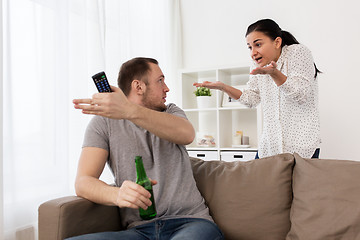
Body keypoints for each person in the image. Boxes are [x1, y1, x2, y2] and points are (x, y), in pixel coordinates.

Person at [68, 57, 224, 240]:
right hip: (139, 231)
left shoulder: (172, 112)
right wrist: (117, 194)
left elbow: (187, 134)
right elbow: (83, 182)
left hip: (191, 223)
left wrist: (128, 110)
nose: (167, 88)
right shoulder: (103, 124)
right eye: (160, 81)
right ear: (139, 87)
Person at [194, 19, 321, 159]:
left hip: (301, 146)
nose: (253, 53)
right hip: (270, 146)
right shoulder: (258, 65)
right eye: (249, 47)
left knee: (298, 182)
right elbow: (251, 99)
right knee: (256, 181)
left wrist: (274, 73)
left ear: (277, 42)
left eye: (258, 44)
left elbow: (300, 94)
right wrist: (223, 87)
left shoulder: (298, 52)